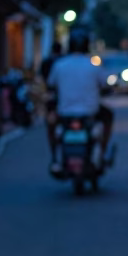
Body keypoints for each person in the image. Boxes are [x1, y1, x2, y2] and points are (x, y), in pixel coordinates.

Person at [47, 30, 113, 170]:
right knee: (108, 116)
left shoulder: (60, 65)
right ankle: (102, 152)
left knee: (50, 123)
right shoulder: (93, 66)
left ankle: (54, 157)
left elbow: (51, 85)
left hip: (64, 113)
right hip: (90, 113)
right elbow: (106, 84)